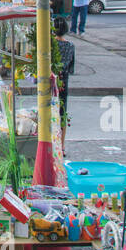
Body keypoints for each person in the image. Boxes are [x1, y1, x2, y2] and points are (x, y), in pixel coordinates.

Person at [53, 16, 75, 152]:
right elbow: (71, 68)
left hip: (50, 81)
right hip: (63, 82)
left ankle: (51, 143)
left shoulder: (50, 44)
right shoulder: (70, 46)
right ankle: (61, 145)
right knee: (62, 113)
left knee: (49, 111)